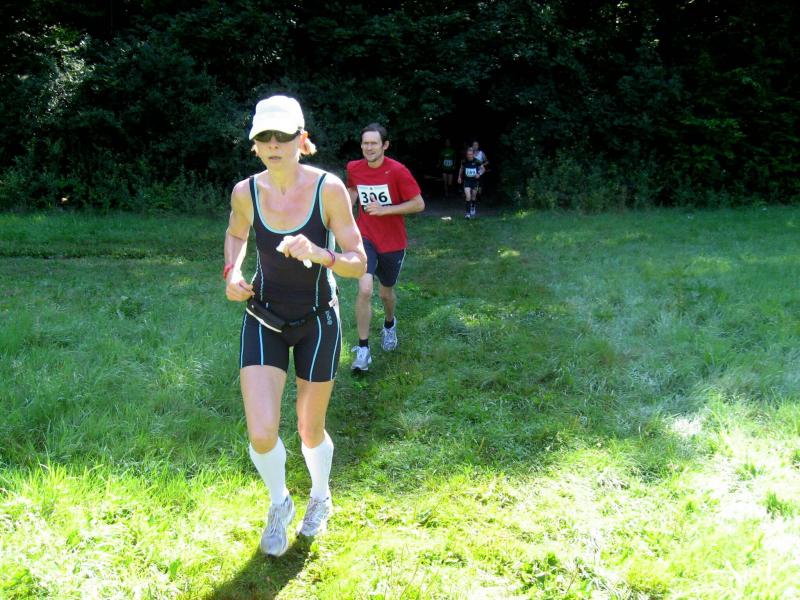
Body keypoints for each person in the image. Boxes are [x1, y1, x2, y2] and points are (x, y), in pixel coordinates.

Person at [224, 95, 367, 557]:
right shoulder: (246, 192)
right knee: (261, 432)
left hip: (318, 321)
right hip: (263, 317)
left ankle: (320, 496)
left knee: (309, 428)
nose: (273, 145)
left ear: (301, 139)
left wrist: (320, 253)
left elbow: (358, 261)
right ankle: (279, 501)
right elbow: (236, 234)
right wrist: (232, 272)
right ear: (254, 144)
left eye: (282, 136)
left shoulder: (329, 189)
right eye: (263, 137)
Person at [346, 123, 425, 371]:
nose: (369, 147)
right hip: (365, 237)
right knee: (365, 289)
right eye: (365, 143)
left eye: (374, 143)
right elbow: (353, 189)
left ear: (385, 145)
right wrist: (343, 209)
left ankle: (389, 324)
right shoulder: (354, 167)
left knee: (385, 294)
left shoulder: (398, 171)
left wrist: (385, 210)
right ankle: (363, 349)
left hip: (392, 242)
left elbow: (418, 204)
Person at [458, 146, 484, 218]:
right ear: (466, 155)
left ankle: (473, 206)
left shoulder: (477, 161)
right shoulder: (464, 161)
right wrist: (459, 177)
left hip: (475, 182)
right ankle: (467, 213)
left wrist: (479, 174)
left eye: (471, 154)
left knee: (473, 197)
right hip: (467, 181)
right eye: (468, 154)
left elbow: (483, 169)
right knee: (468, 196)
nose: (469, 156)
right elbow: (461, 168)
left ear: (473, 154)